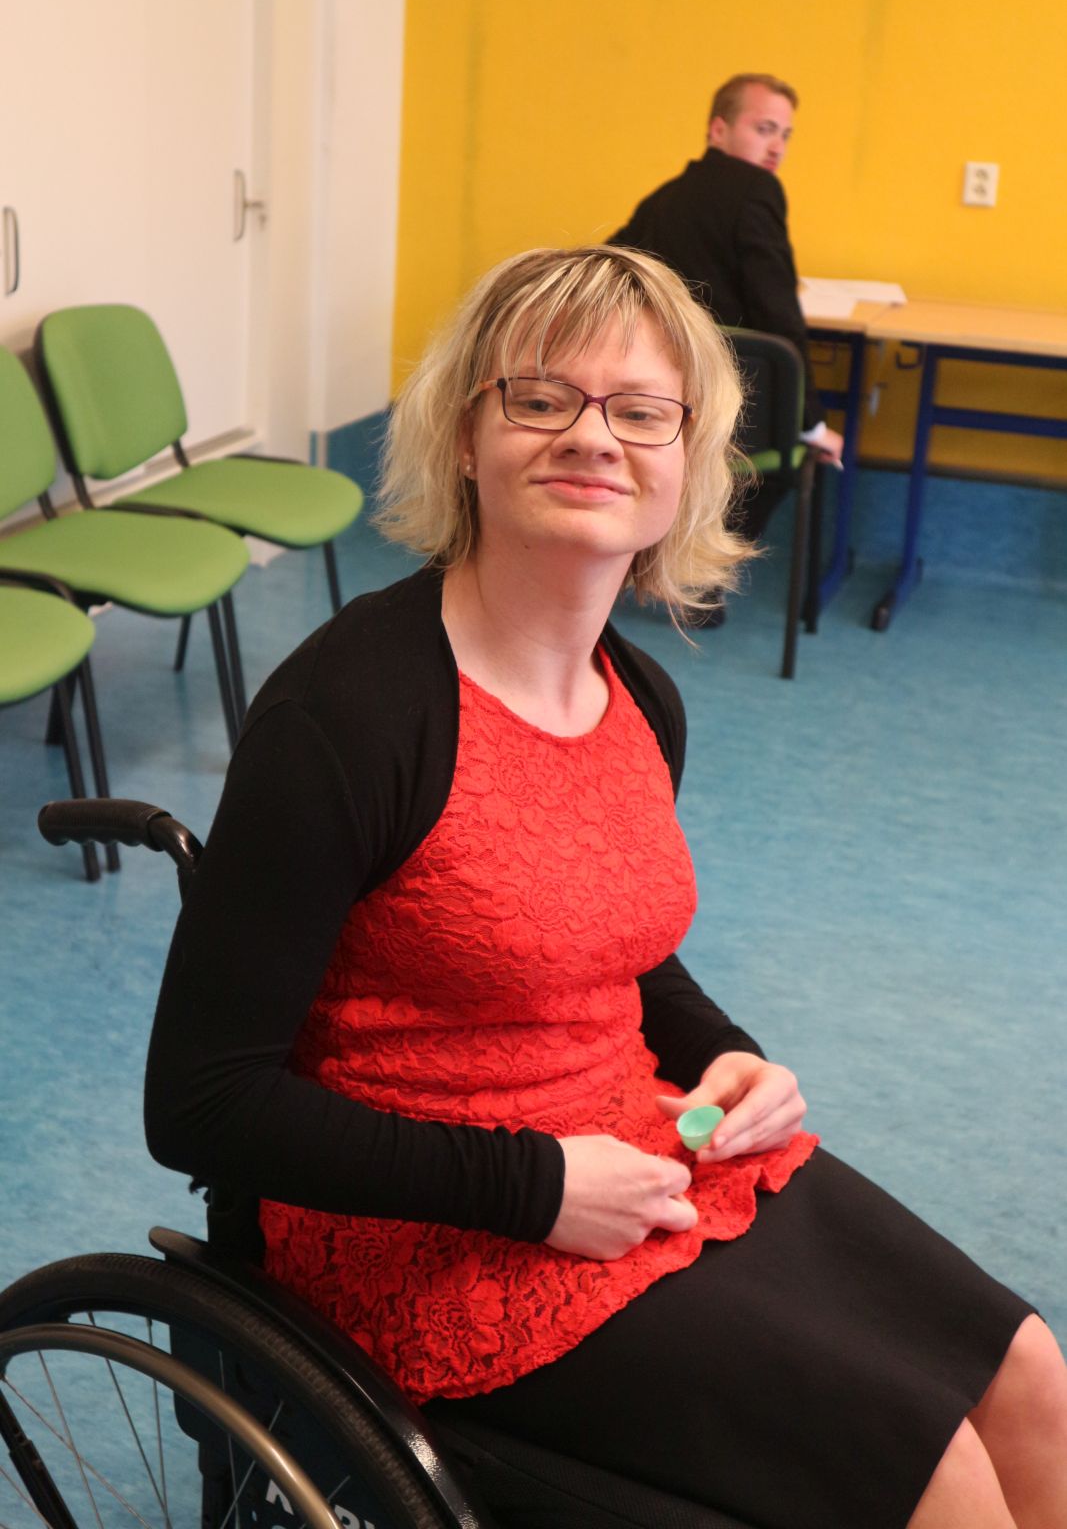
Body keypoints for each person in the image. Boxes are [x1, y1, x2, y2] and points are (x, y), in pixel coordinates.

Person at [145, 245, 1067, 1529]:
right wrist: (531, 1188)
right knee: (934, 1477)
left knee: (1027, 1373)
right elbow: (199, 1106)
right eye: (540, 398)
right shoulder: (348, 717)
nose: (592, 437)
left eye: (640, 412)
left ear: (685, 463)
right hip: (426, 1234)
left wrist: (726, 1054)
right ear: (464, 435)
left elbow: (606, 943)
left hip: (634, 1147)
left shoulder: (638, 698)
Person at [610, 73, 844, 547]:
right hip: (735, 415)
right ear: (719, 129)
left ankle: (671, 559)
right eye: (764, 129)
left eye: (785, 135)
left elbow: (607, 276)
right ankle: (707, 566)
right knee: (788, 464)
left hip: (657, 406)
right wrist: (813, 424)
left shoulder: (662, 199)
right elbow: (779, 315)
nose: (777, 147)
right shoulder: (757, 189)